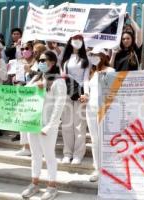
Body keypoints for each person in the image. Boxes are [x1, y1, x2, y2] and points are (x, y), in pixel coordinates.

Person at [21, 51, 66, 200]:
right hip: (33, 123)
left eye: (43, 60)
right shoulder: (37, 77)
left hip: (47, 126)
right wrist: (36, 87)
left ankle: (52, 186)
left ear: (52, 62)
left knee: (49, 155)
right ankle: (34, 183)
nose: (40, 63)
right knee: (35, 155)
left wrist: (51, 126)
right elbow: (24, 91)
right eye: (39, 60)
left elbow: (59, 106)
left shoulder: (59, 81)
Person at [79, 46, 115, 182]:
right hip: (90, 109)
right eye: (92, 55)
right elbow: (88, 90)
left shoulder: (111, 71)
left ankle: (109, 169)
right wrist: (85, 96)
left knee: (105, 140)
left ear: (103, 56)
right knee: (95, 140)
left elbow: (112, 91)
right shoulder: (91, 72)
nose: (93, 57)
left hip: (105, 110)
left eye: (96, 55)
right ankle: (97, 168)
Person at [60, 34, 90, 165]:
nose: (77, 42)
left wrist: (87, 93)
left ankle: (78, 154)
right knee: (66, 125)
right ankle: (67, 153)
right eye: (74, 39)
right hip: (66, 93)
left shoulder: (85, 58)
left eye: (80, 39)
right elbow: (61, 76)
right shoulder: (64, 58)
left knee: (79, 126)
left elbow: (86, 78)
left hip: (80, 94)